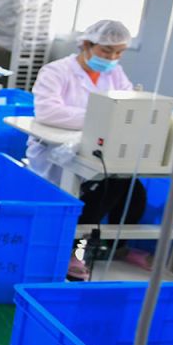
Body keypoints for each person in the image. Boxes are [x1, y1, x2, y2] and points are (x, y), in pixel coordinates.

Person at [27, 19, 149, 280]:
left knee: (133, 189)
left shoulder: (115, 74)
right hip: (58, 151)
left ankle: (119, 247)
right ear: (86, 45)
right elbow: (48, 111)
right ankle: (77, 251)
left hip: (100, 146)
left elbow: (128, 106)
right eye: (106, 51)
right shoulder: (57, 71)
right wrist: (100, 117)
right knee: (103, 189)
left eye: (119, 52)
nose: (113, 58)